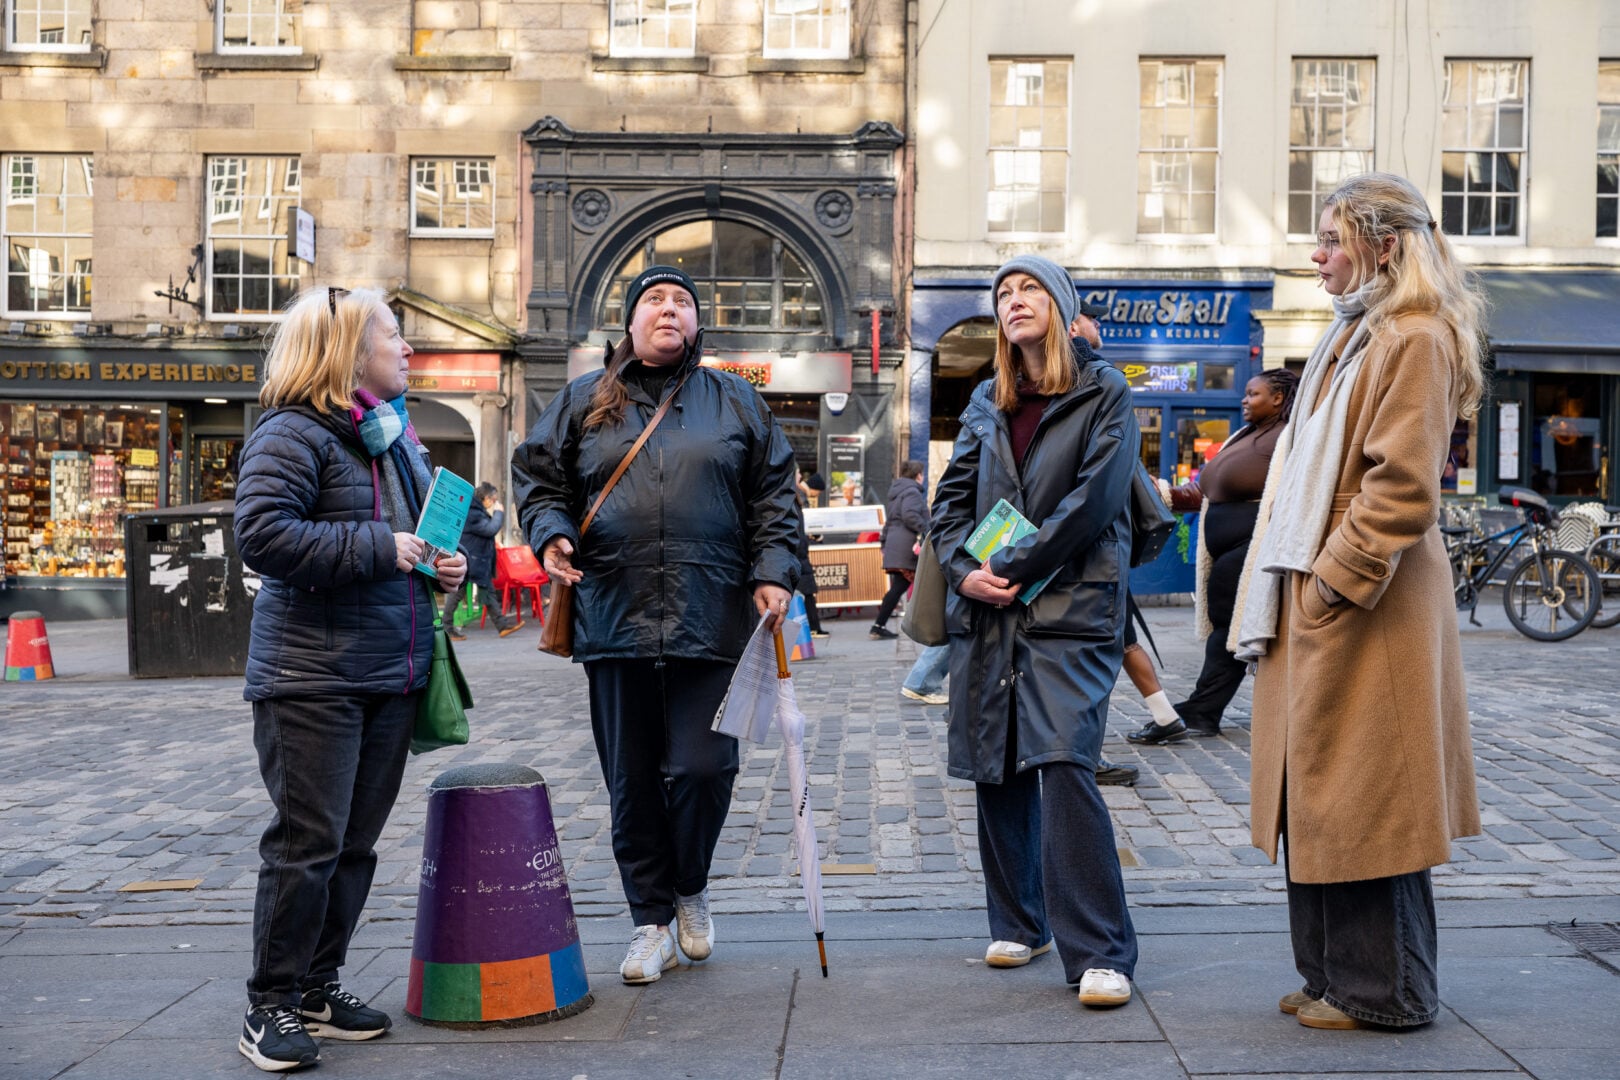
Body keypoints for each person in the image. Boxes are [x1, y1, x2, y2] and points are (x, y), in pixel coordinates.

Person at [1234, 173, 1484, 1031]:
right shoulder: (1359, 333)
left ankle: (1389, 992)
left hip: (1362, 604)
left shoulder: (1413, 336)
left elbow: (1403, 486)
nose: (1317, 254)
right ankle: (1334, 976)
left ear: (1383, 244)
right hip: (1318, 596)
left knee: (1370, 803)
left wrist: (1336, 582)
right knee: (1317, 798)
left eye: (1332, 239)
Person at [512, 264, 800, 986]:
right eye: (654, 301)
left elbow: (774, 496)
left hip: (713, 612)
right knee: (632, 780)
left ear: (697, 325)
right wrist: (551, 534)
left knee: (706, 768)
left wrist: (772, 570)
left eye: (682, 303)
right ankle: (650, 921)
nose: (669, 310)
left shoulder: (735, 400)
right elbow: (540, 479)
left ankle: (690, 887)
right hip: (615, 611)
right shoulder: (585, 399)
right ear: (630, 323)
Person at [233, 285, 468, 1072]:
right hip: (311, 677)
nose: (407, 349)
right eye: (393, 336)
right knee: (308, 843)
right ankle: (269, 1004)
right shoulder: (291, 432)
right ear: (344, 351)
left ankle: (317, 987)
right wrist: (383, 547)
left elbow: (414, 543)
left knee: (356, 846)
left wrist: (444, 568)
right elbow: (262, 536)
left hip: (388, 672)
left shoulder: (394, 439)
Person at [931, 255, 1139, 1006]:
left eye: (1030, 290)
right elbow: (949, 506)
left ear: (1060, 305)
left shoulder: (1103, 390)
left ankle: (1101, 952)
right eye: (1004, 293)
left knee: (1061, 760)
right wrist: (963, 571)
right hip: (990, 604)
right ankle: (1020, 920)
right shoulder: (989, 396)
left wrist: (1013, 563)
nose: (1015, 301)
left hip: (1073, 606)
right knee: (998, 759)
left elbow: (1094, 502)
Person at [1127, 369, 1299, 744]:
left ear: (1279, 399)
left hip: (1253, 546)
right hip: (1226, 546)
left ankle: (1204, 709)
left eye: (1253, 393)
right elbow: (1204, 488)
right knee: (1226, 626)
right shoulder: (1245, 434)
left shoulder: (1292, 436)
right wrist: (1164, 493)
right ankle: (1203, 708)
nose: (1244, 399)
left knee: (1229, 628)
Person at [442, 481, 523, 640]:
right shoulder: (473, 512)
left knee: (487, 592)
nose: (493, 503)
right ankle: (447, 628)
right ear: (485, 498)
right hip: (472, 560)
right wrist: (499, 513)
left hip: (476, 560)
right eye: (493, 500)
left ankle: (502, 625)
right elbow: (490, 529)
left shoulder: (473, 510)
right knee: (457, 594)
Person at [869, 460, 929, 639]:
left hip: (896, 544)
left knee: (901, 586)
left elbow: (890, 521)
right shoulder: (912, 492)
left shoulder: (898, 493)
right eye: (922, 474)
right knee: (903, 586)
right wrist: (927, 529)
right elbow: (909, 515)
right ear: (918, 475)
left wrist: (884, 542)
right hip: (907, 546)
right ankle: (878, 626)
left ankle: (879, 625)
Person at [793, 469, 829, 638]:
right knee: (806, 593)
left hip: (800, 553)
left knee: (806, 593)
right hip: (798, 554)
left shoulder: (796, 497)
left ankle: (813, 628)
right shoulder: (794, 497)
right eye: (798, 473)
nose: (801, 477)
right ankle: (813, 628)